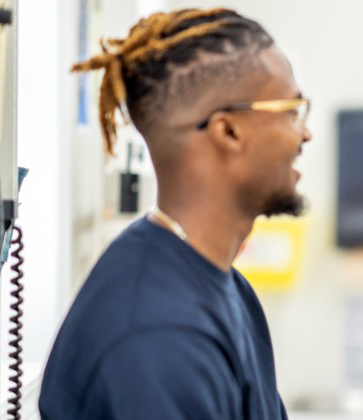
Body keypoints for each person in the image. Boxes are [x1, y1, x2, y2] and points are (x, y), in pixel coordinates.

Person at [39, 8, 311, 419]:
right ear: (228, 131)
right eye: (291, 111)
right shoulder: (155, 335)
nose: (304, 133)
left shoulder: (225, 288)